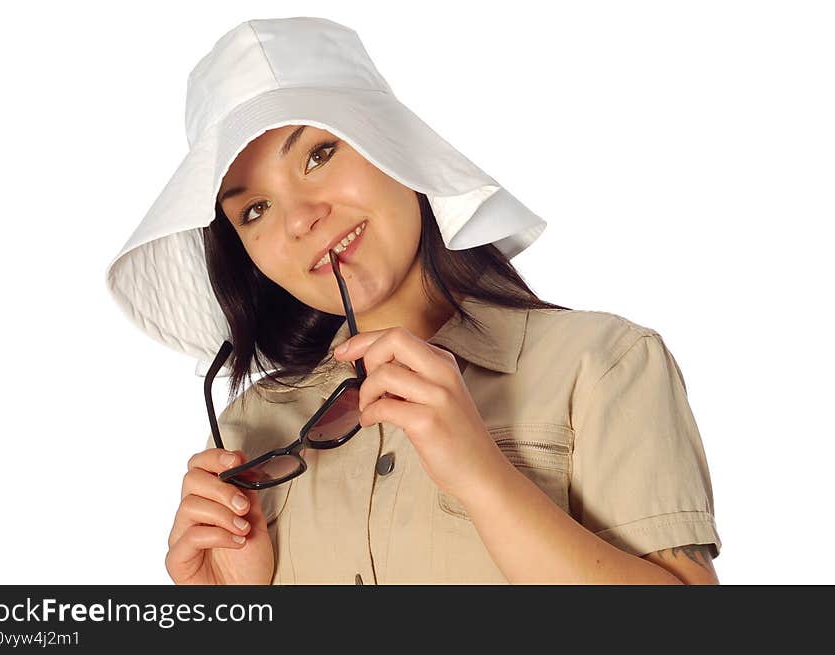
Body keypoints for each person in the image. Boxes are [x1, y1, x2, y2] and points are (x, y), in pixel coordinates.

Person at [106, 17, 722, 585]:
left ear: (394, 147)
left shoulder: (603, 365)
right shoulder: (252, 432)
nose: (298, 222)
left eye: (319, 154)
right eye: (254, 209)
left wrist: (480, 475)